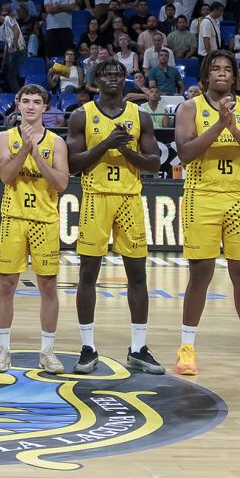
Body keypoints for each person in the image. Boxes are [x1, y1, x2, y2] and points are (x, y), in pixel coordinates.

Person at [174, 50, 240, 378]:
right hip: (201, 195)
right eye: (216, 69)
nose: (222, 73)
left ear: (235, 76)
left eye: (227, 69)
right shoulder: (190, 108)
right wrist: (220, 123)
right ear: (206, 75)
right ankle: (186, 348)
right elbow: (186, 153)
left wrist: (234, 130)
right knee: (200, 273)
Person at [66, 59, 166, 375]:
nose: (112, 77)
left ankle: (138, 348)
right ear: (97, 79)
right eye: (106, 73)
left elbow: (153, 163)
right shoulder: (82, 115)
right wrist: (108, 144)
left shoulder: (140, 117)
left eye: (118, 73)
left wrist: (126, 152)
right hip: (95, 198)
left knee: (137, 275)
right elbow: (73, 164)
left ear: (125, 79)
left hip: (129, 199)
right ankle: (87, 346)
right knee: (87, 274)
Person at [0, 83, 70, 372]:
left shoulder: (57, 143)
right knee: (6, 284)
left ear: (45, 107)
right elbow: (6, 176)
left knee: (48, 286)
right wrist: (25, 150)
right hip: (13, 218)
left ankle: (48, 351)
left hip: (45, 220)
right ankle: (3, 350)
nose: (30, 106)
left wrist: (36, 154)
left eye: (36, 102)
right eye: (25, 101)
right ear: (17, 104)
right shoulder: (5, 137)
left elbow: (61, 184)